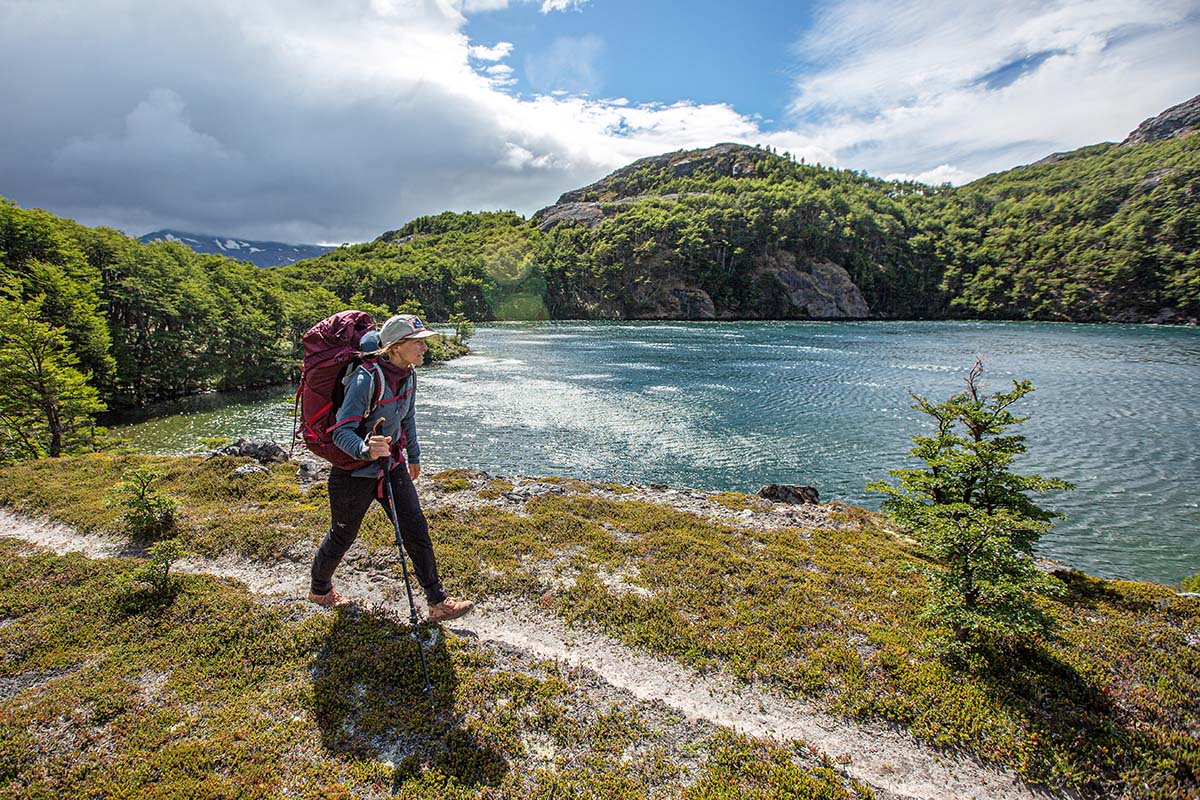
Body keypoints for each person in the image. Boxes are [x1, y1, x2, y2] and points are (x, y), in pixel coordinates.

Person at [308, 313, 474, 623]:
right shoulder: (366, 379)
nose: (425, 348)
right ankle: (319, 589)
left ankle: (437, 602)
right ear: (396, 347)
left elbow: (407, 417)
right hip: (353, 472)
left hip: (392, 466)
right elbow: (341, 431)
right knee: (343, 535)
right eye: (418, 343)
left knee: (415, 528)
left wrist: (414, 456)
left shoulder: (409, 374)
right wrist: (365, 448)